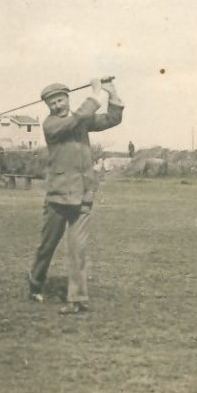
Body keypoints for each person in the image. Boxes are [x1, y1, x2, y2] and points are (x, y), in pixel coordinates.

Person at [28, 77, 124, 314]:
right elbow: (78, 118)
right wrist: (94, 95)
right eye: (52, 103)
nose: (57, 106)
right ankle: (35, 282)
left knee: (78, 249)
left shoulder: (79, 120)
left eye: (60, 100)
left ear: (67, 98)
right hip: (58, 197)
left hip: (83, 194)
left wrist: (112, 94)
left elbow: (112, 119)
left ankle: (77, 299)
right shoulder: (51, 125)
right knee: (47, 246)